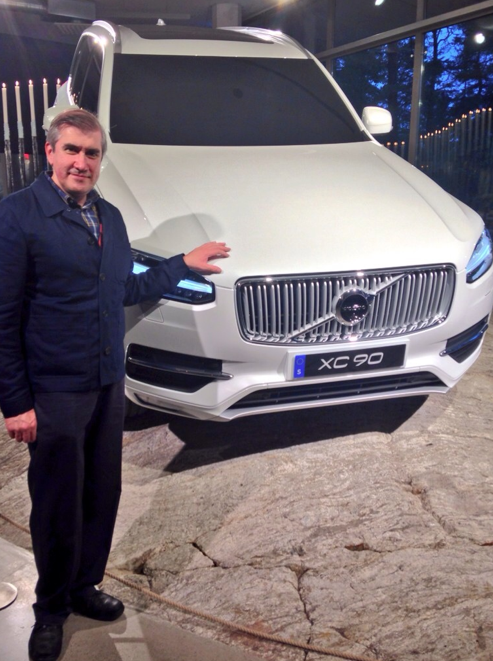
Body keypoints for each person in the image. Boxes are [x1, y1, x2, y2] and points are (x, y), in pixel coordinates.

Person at [0, 109, 230, 661]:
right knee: (56, 502)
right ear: (49, 152)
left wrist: (181, 264)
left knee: (102, 492)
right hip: (54, 389)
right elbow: (3, 317)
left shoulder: (110, 217)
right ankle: (50, 608)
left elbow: (124, 289)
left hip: (107, 383)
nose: (82, 162)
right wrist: (15, 402)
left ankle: (84, 585)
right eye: (72, 150)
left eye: (92, 153)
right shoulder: (17, 215)